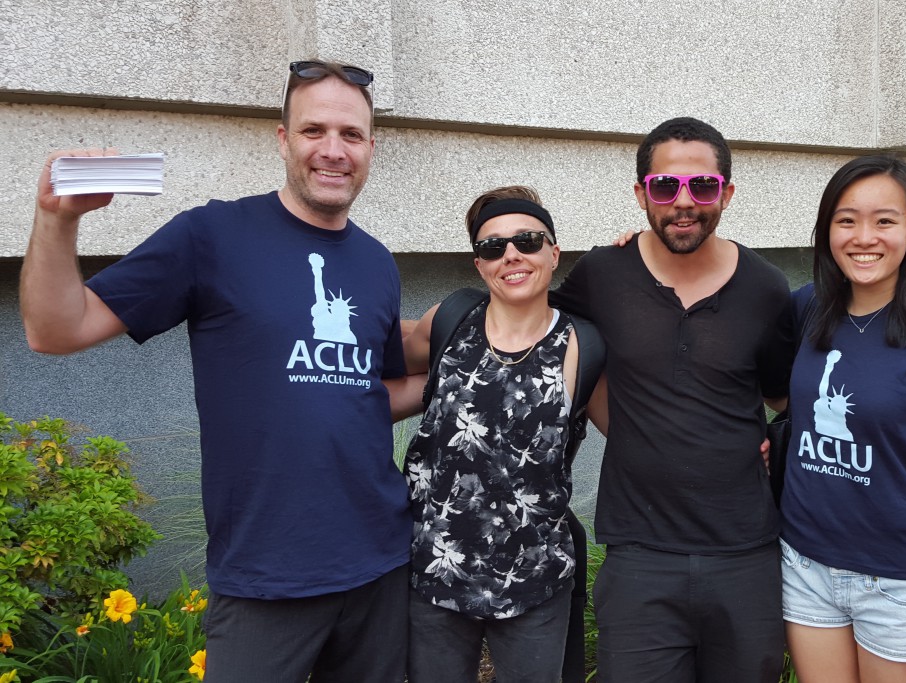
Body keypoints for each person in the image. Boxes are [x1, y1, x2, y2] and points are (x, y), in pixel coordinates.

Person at [20, 59, 419, 683]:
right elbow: (54, 330)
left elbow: (367, 391)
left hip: (381, 562)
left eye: (351, 135)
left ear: (372, 147)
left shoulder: (376, 263)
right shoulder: (211, 236)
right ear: (282, 139)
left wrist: (471, 373)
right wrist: (57, 218)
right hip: (264, 573)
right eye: (314, 131)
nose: (333, 151)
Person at [550, 117, 793, 682]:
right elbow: (532, 325)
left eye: (702, 187)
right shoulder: (602, 273)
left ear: (726, 193)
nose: (684, 203)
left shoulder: (766, 287)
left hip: (745, 552)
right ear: (641, 194)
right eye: (665, 187)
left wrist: (899, 429)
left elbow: (790, 397)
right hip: (639, 555)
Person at [779, 155, 906, 681]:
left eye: (885, 220)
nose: (864, 236)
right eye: (846, 220)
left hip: (895, 578)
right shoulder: (806, 308)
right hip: (805, 563)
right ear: (828, 231)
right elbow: (779, 398)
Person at [399, 186, 604, 683]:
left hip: (534, 576)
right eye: (493, 246)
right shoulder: (450, 320)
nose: (511, 254)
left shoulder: (583, 345)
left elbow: (636, 435)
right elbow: (387, 380)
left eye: (528, 240)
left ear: (554, 253)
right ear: (479, 265)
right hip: (434, 569)